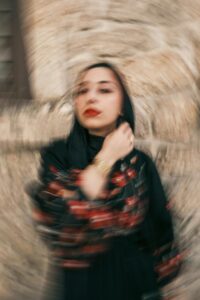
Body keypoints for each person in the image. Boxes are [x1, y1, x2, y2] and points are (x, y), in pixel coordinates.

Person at [26, 62, 183, 300]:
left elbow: (162, 231)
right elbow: (62, 223)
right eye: (82, 90)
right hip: (83, 288)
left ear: (122, 105)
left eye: (104, 90)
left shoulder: (140, 163)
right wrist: (107, 157)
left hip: (139, 287)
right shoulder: (58, 155)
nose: (91, 97)